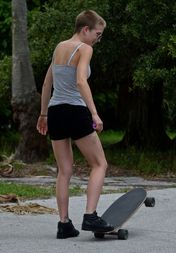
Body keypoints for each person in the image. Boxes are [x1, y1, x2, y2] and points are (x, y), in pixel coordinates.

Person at [36, 10, 114, 239]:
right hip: (75, 111)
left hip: (56, 112)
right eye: (97, 34)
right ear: (85, 29)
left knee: (64, 170)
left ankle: (64, 224)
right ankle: (90, 216)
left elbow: (47, 83)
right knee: (100, 164)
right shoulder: (84, 48)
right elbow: (81, 81)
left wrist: (43, 114)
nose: (97, 40)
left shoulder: (59, 47)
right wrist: (95, 113)